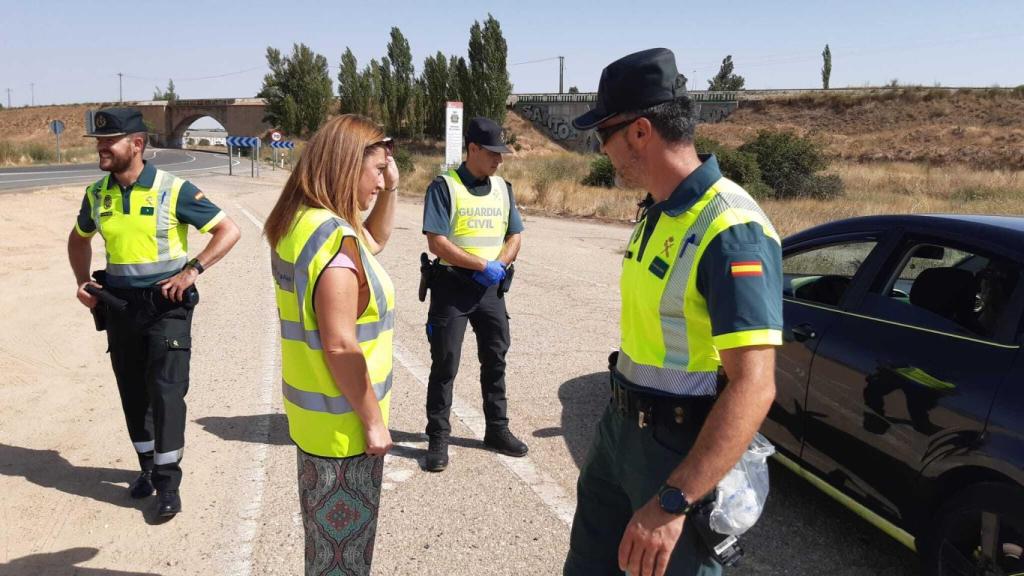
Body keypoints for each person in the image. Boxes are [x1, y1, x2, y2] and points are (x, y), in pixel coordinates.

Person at [562, 48, 783, 576]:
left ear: (640, 132)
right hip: (621, 431)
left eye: (604, 136)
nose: (602, 150)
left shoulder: (731, 230)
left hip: (678, 451)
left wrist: (675, 501)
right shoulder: (659, 212)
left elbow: (754, 385)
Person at [67, 107, 241, 518]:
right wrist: (82, 281)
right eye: (99, 142)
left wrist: (193, 270)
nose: (102, 148)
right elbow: (78, 239)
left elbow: (228, 230)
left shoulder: (172, 189)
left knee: (166, 392)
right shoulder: (97, 194)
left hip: (166, 306)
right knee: (133, 392)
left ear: (138, 144)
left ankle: (167, 483)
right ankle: (146, 467)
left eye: (109, 142)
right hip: (120, 308)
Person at [263, 115, 399, 576]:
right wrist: (374, 422)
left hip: (315, 422)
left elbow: (375, 239)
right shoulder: (336, 243)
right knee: (342, 562)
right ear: (346, 165)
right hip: (345, 430)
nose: (382, 182)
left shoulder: (302, 222)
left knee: (323, 552)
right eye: (378, 170)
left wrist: (392, 187)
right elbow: (341, 346)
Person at [420, 116, 528, 472]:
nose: (499, 160)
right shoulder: (444, 187)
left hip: (491, 291)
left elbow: (515, 235)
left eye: (502, 153)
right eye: (493, 153)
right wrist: (483, 266)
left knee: (496, 360)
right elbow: (437, 241)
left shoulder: (502, 188)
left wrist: (498, 263)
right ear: (473, 149)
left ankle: (496, 429)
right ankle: (438, 438)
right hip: (453, 288)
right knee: (445, 363)